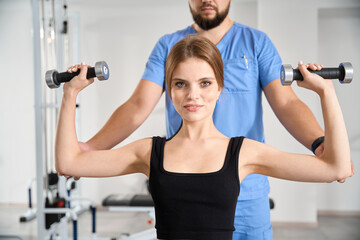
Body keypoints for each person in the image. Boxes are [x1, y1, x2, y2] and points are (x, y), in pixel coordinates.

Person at [65, 0, 352, 238]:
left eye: (205, 83)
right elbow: (138, 105)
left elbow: (287, 102)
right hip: (186, 182)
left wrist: (320, 142)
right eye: (181, 84)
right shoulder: (168, 46)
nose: (207, 0)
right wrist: (91, 149)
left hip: (246, 187)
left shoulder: (256, 43)